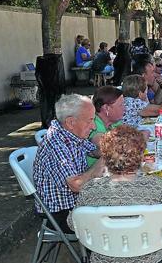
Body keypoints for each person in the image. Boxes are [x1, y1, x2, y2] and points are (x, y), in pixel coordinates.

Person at [68, 125, 162, 263]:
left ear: (105, 158)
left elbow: (73, 224)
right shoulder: (158, 187)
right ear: (140, 156)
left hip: (106, 257)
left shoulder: (90, 189)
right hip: (153, 257)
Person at [32, 94, 106, 232]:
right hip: (62, 213)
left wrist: (114, 148)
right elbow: (76, 185)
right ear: (71, 122)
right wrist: (103, 161)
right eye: (90, 120)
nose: (94, 126)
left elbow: (93, 151)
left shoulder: (70, 133)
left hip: (78, 202)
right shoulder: (57, 144)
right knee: (116, 212)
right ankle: (103, 251)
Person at [87, 86, 125, 166]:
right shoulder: (93, 124)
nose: (124, 108)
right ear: (106, 108)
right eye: (121, 105)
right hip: (96, 175)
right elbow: (107, 147)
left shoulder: (115, 122)